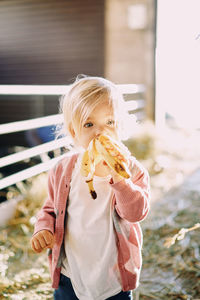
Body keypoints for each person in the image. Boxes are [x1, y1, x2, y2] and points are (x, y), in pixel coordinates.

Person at [30, 75, 150, 300]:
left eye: (110, 122)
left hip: (113, 278)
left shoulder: (132, 169)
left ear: (121, 125)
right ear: (74, 132)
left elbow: (136, 213)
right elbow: (50, 209)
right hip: (71, 276)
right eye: (89, 124)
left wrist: (120, 178)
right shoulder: (63, 169)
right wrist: (43, 229)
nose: (101, 132)